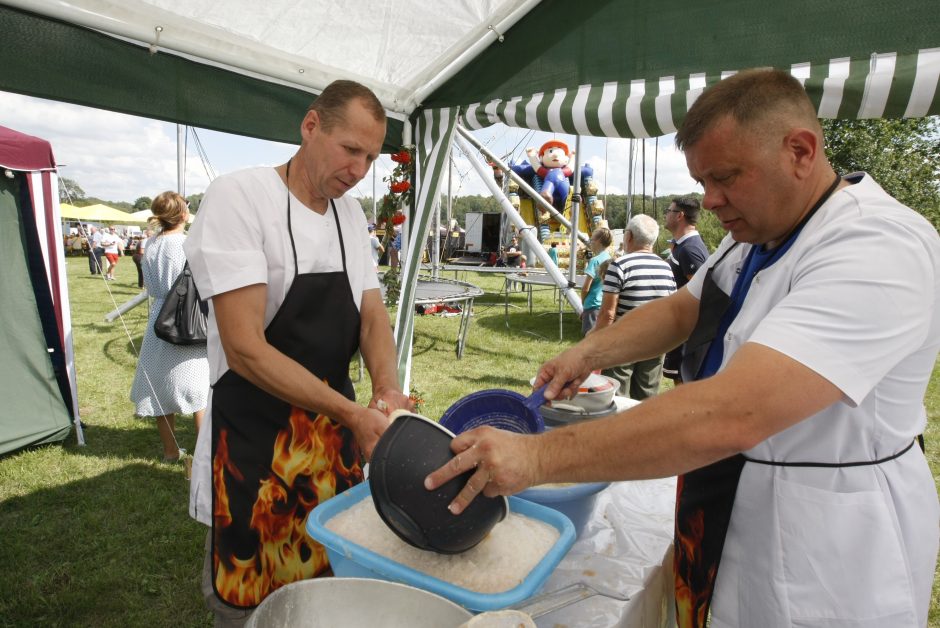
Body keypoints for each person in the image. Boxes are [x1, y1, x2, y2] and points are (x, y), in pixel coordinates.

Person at [425, 69, 940, 628]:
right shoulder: (754, 239)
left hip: (832, 543)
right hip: (738, 509)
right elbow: (681, 311)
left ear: (800, 150)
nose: (709, 200)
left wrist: (536, 457)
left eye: (725, 177)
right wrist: (589, 352)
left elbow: (733, 412)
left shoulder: (877, 246)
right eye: (702, 182)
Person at [184, 79, 410, 624]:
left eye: (371, 158)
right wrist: (353, 412)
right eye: (350, 150)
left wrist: (385, 388)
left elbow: (372, 314)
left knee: (329, 594)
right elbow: (244, 350)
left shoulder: (350, 215)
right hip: (253, 446)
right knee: (252, 606)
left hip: (333, 445)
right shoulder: (242, 197)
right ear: (310, 126)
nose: (359, 170)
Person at [129, 192, 208, 462]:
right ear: (184, 214)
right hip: (188, 316)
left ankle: (170, 451)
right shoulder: (187, 244)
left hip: (159, 318)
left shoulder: (151, 243)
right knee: (199, 390)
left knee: (161, 388)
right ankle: (204, 455)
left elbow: (149, 285)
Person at [594, 215, 675, 398]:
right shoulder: (666, 268)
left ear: (628, 236)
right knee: (647, 394)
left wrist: (594, 338)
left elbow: (607, 313)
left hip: (623, 340)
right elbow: (670, 307)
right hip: (655, 341)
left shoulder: (619, 265)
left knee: (617, 393)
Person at [662, 196, 709, 383]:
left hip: (688, 335)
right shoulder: (683, 246)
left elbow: (703, 293)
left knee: (683, 384)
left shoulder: (690, 249)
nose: (666, 214)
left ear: (680, 215)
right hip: (682, 330)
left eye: (669, 211)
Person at [578, 228, 612, 336]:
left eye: (592, 239)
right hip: (605, 303)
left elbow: (585, 288)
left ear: (599, 241)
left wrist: (584, 304)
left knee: (589, 338)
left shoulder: (594, 261)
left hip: (592, 305)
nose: (590, 242)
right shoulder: (610, 258)